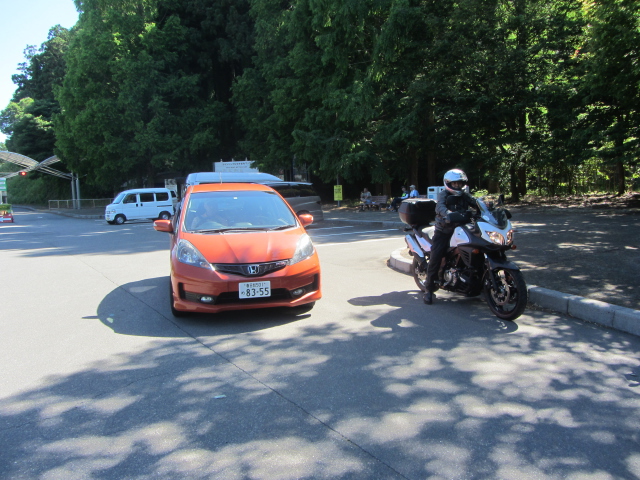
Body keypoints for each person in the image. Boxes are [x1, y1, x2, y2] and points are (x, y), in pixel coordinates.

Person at [423, 169, 478, 305]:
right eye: (455, 183)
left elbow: (475, 203)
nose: (457, 186)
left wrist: (487, 207)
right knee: (436, 256)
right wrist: (448, 213)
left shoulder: (464, 195)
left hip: (462, 228)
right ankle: (429, 288)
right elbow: (439, 207)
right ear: (448, 183)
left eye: (459, 183)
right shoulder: (444, 194)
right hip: (444, 230)